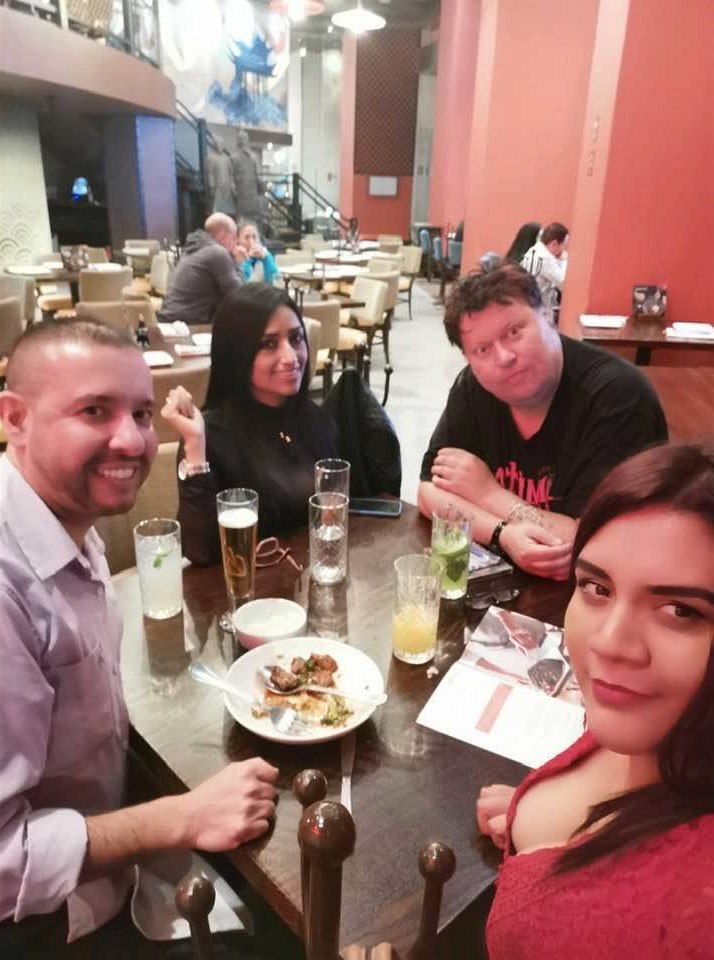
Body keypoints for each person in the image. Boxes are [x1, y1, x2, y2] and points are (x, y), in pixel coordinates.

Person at [0, 317, 278, 957]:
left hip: (114, 838)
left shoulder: (65, 523)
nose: (132, 440)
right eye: (94, 410)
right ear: (15, 418)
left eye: (143, 414)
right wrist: (184, 815)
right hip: (45, 922)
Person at [477, 442, 714, 958]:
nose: (609, 643)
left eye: (680, 610)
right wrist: (532, 812)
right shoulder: (641, 718)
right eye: (597, 588)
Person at [418, 263, 668, 580]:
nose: (504, 357)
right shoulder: (472, 388)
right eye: (482, 349)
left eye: (514, 331)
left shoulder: (619, 398)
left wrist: (488, 494)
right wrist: (502, 533)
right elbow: (429, 494)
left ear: (548, 316)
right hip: (509, 586)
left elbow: (595, 541)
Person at [162, 284, 338, 563]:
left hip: (310, 572)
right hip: (245, 584)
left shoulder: (316, 420)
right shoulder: (212, 435)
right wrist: (195, 446)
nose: (291, 357)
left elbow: (334, 516)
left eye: (296, 338)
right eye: (269, 344)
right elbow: (201, 551)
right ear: (237, 354)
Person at [158, 213, 243, 327]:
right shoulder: (217, 253)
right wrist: (238, 262)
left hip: (168, 322)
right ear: (223, 236)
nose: (236, 243)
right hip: (189, 326)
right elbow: (238, 295)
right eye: (234, 238)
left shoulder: (194, 249)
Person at [521, 221, 569, 307]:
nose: (563, 250)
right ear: (554, 243)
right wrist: (564, 260)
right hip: (539, 307)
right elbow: (565, 283)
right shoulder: (545, 258)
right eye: (563, 245)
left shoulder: (534, 250)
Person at [234, 219, 279, 285]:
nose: (251, 241)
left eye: (254, 237)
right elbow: (242, 282)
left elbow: (274, 280)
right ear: (238, 239)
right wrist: (248, 259)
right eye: (246, 237)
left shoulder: (265, 254)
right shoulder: (236, 256)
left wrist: (266, 259)